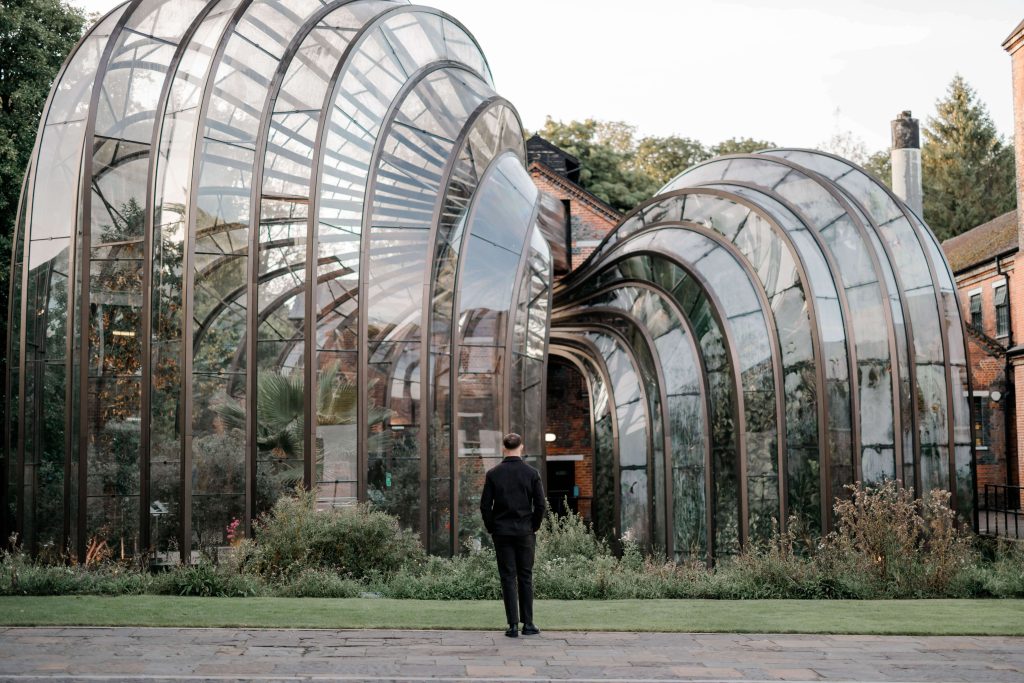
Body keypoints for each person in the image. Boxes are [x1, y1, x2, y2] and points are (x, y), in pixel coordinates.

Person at [479, 432, 546, 638]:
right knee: (525, 576)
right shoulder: (531, 473)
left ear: (503, 448)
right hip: (525, 531)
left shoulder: (493, 474)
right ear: (521, 447)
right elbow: (540, 505)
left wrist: (492, 527)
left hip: (502, 532)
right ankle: (529, 624)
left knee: (508, 577)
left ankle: (513, 626)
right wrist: (534, 526)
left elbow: (485, 506)